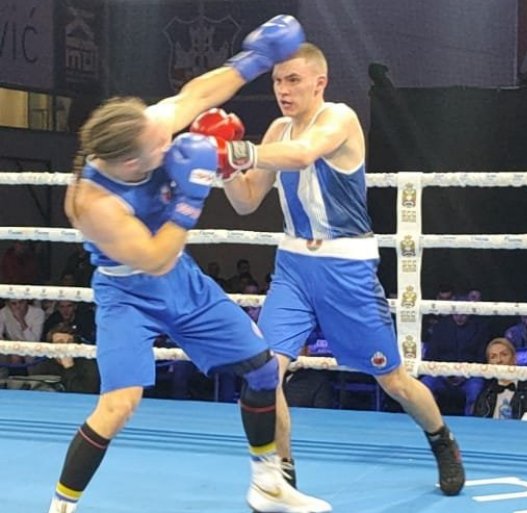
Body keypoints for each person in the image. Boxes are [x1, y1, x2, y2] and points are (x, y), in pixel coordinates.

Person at [47, 15, 330, 513]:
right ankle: (61, 506)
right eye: (158, 148)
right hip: (128, 292)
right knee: (118, 404)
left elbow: (198, 94)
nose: (168, 143)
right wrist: (192, 193)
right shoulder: (92, 203)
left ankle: (267, 484)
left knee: (263, 370)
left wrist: (254, 60)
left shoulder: (144, 130)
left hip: (182, 280)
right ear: (130, 164)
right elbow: (155, 258)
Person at [199, 42, 465, 496]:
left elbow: (304, 155)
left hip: (346, 269)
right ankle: (282, 474)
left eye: (293, 80)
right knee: (264, 373)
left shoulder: (339, 119)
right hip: (292, 267)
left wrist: (239, 151)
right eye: (277, 81)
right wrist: (222, 166)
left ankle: (442, 440)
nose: (283, 90)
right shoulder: (277, 130)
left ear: (319, 82)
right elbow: (246, 202)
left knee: (393, 379)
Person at [473, 338, 527, 419]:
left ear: (514, 358)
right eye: (493, 357)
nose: (499, 360)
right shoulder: (485, 395)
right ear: (489, 364)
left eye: (504, 354)